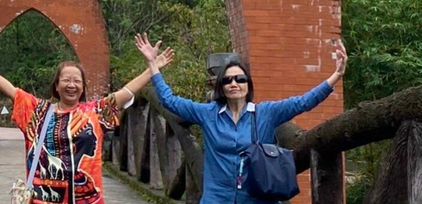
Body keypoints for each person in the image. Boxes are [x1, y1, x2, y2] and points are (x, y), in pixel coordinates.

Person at [134, 33, 348, 204]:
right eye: (227, 80)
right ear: (221, 87)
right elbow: (170, 101)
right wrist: (153, 65)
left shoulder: (266, 113)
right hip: (216, 199)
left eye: (240, 79)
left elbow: (303, 102)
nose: (233, 83)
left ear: (248, 84)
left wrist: (336, 76)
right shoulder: (208, 114)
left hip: (257, 198)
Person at [0, 44, 173, 204]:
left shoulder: (95, 112)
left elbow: (126, 92)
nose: (71, 85)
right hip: (43, 198)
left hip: (85, 198)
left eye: (77, 81)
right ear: (57, 85)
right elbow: (11, 90)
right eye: (66, 80)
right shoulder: (39, 111)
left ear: (83, 87)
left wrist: (151, 68)